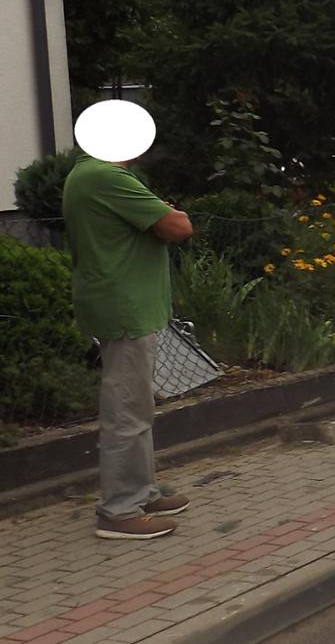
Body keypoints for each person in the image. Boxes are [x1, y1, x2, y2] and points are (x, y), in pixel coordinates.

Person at [63, 100, 195, 539]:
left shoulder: (89, 175)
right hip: (124, 309)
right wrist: (168, 213)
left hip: (124, 306)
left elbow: (161, 220)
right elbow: (178, 227)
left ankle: (142, 492)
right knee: (126, 411)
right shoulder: (106, 177)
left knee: (136, 407)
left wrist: (162, 215)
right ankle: (119, 511)